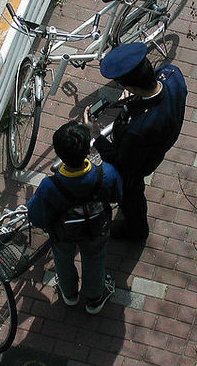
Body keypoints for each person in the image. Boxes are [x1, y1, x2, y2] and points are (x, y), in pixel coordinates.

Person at [83, 42, 187, 241]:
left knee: (131, 192)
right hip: (161, 137)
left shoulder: (140, 129)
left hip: (140, 160)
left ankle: (136, 231)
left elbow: (121, 162)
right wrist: (136, 95)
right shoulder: (172, 73)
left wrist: (96, 135)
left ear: (129, 86)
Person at [27, 121, 122, 314]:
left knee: (63, 260)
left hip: (63, 234)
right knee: (95, 259)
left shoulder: (50, 186)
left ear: (59, 153)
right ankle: (95, 299)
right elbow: (117, 194)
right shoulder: (107, 174)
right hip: (97, 229)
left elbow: (36, 216)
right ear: (88, 150)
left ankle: (69, 294)